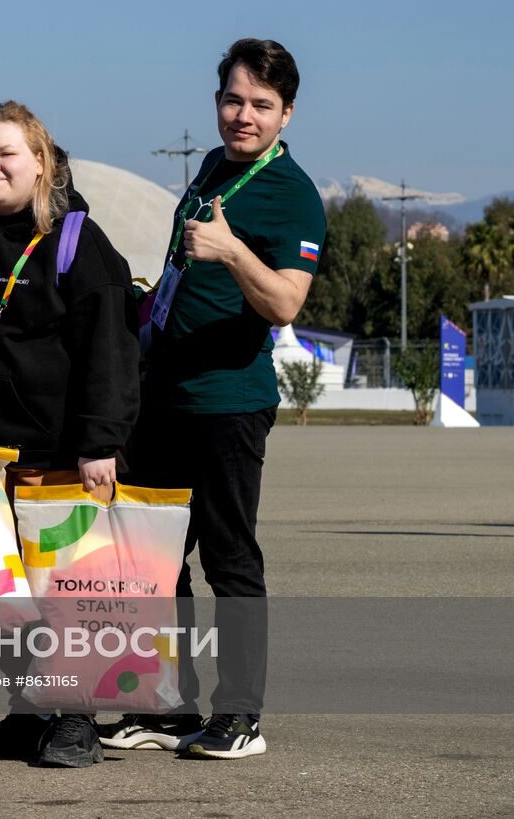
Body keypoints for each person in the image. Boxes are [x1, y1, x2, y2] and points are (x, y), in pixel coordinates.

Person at [103, 38, 326, 760]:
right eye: (234, 99)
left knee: (231, 559)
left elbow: (288, 301)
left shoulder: (291, 193)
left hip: (229, 401)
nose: (244, 115)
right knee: (158, 562)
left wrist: (232, 252)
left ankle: (240, 716)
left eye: (262, 105)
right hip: (164, 395)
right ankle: (171, 704)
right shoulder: (210, 169)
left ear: (287, 114)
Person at [0, 102, 139, 768]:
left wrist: (101, 442)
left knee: (65, 591)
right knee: (5, 596)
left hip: (58, 454)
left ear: (42, 162)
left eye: (7, 153)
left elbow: (110, 351)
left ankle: (76, 716)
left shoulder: (75, 242)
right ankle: (27, 708)